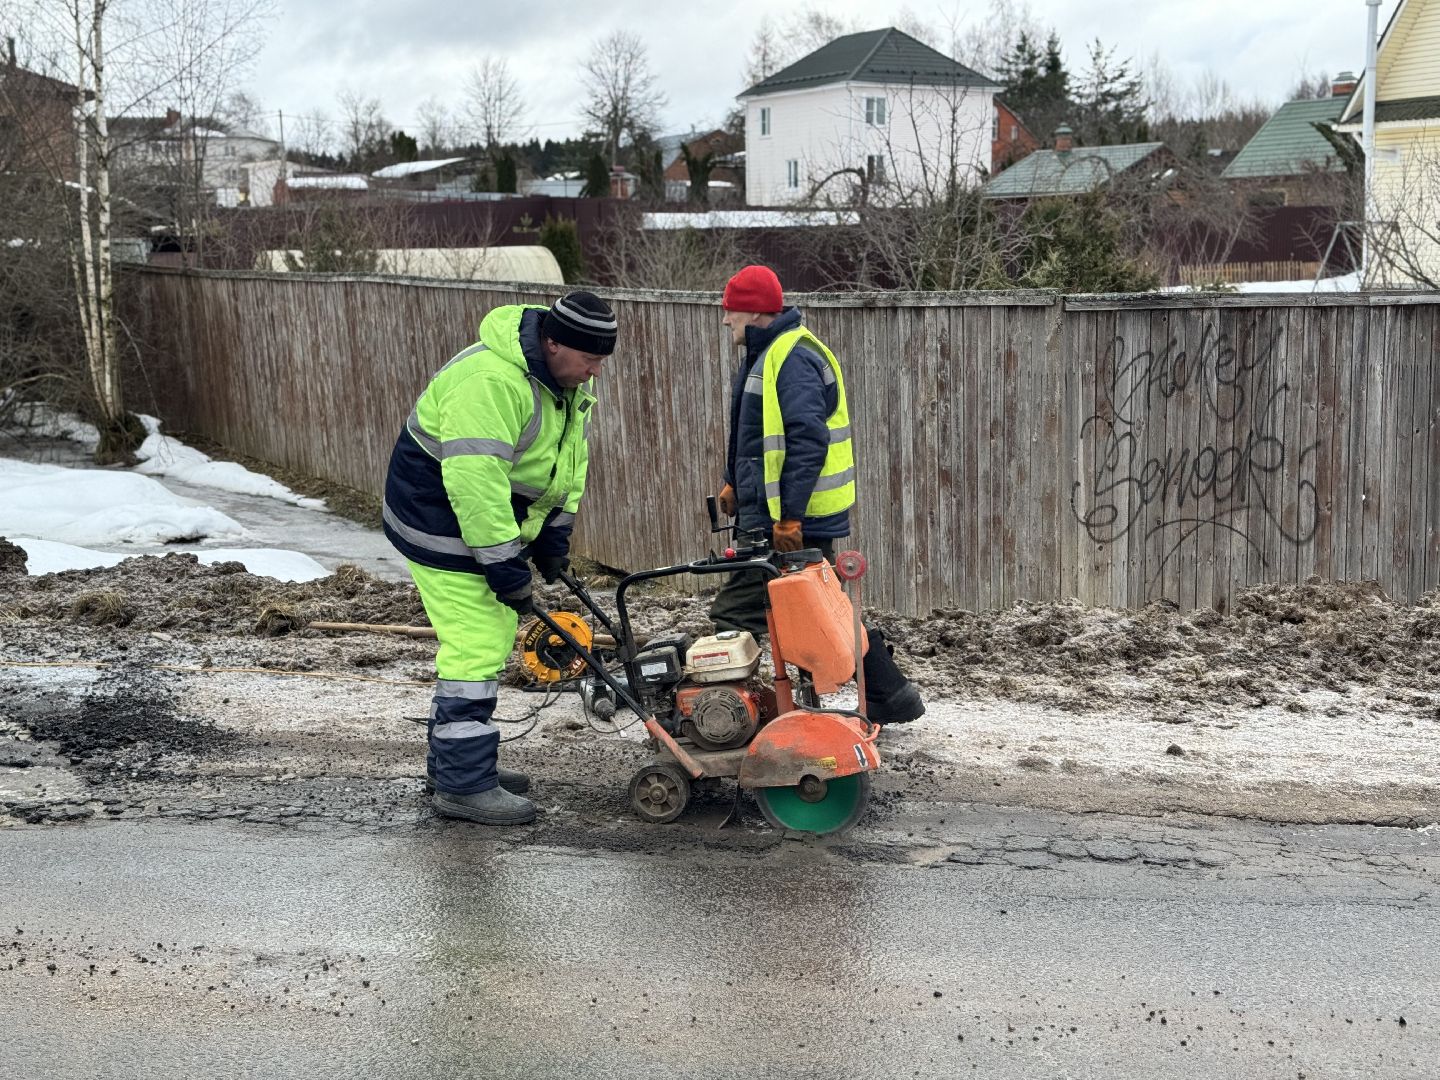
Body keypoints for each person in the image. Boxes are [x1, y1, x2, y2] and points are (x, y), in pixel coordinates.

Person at [383, 291, 616, 825]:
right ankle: (463, 786)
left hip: (482, 520)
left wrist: (555, 538)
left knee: (486, 635)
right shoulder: (490, 381)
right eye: (589, 358)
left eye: (601, 360)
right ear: (552, 342)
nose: (595, 371)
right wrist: (504, 565)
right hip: (438, 519)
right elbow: (476, 485)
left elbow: (565, 468)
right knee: (478, 642)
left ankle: (454, 765)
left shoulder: (564, 384)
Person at [709, 265, 923, 725]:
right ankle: (889, 695)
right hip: (776, 516)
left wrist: (787, 517)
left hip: (789, 522)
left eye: (730, 311)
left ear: (754, 311)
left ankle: (724, 721)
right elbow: (756, 438)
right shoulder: (769, 352)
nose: (725, 320)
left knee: (735, 614)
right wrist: (734, 483)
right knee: (818, 610)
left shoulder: (792, 357)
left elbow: (807, 441)